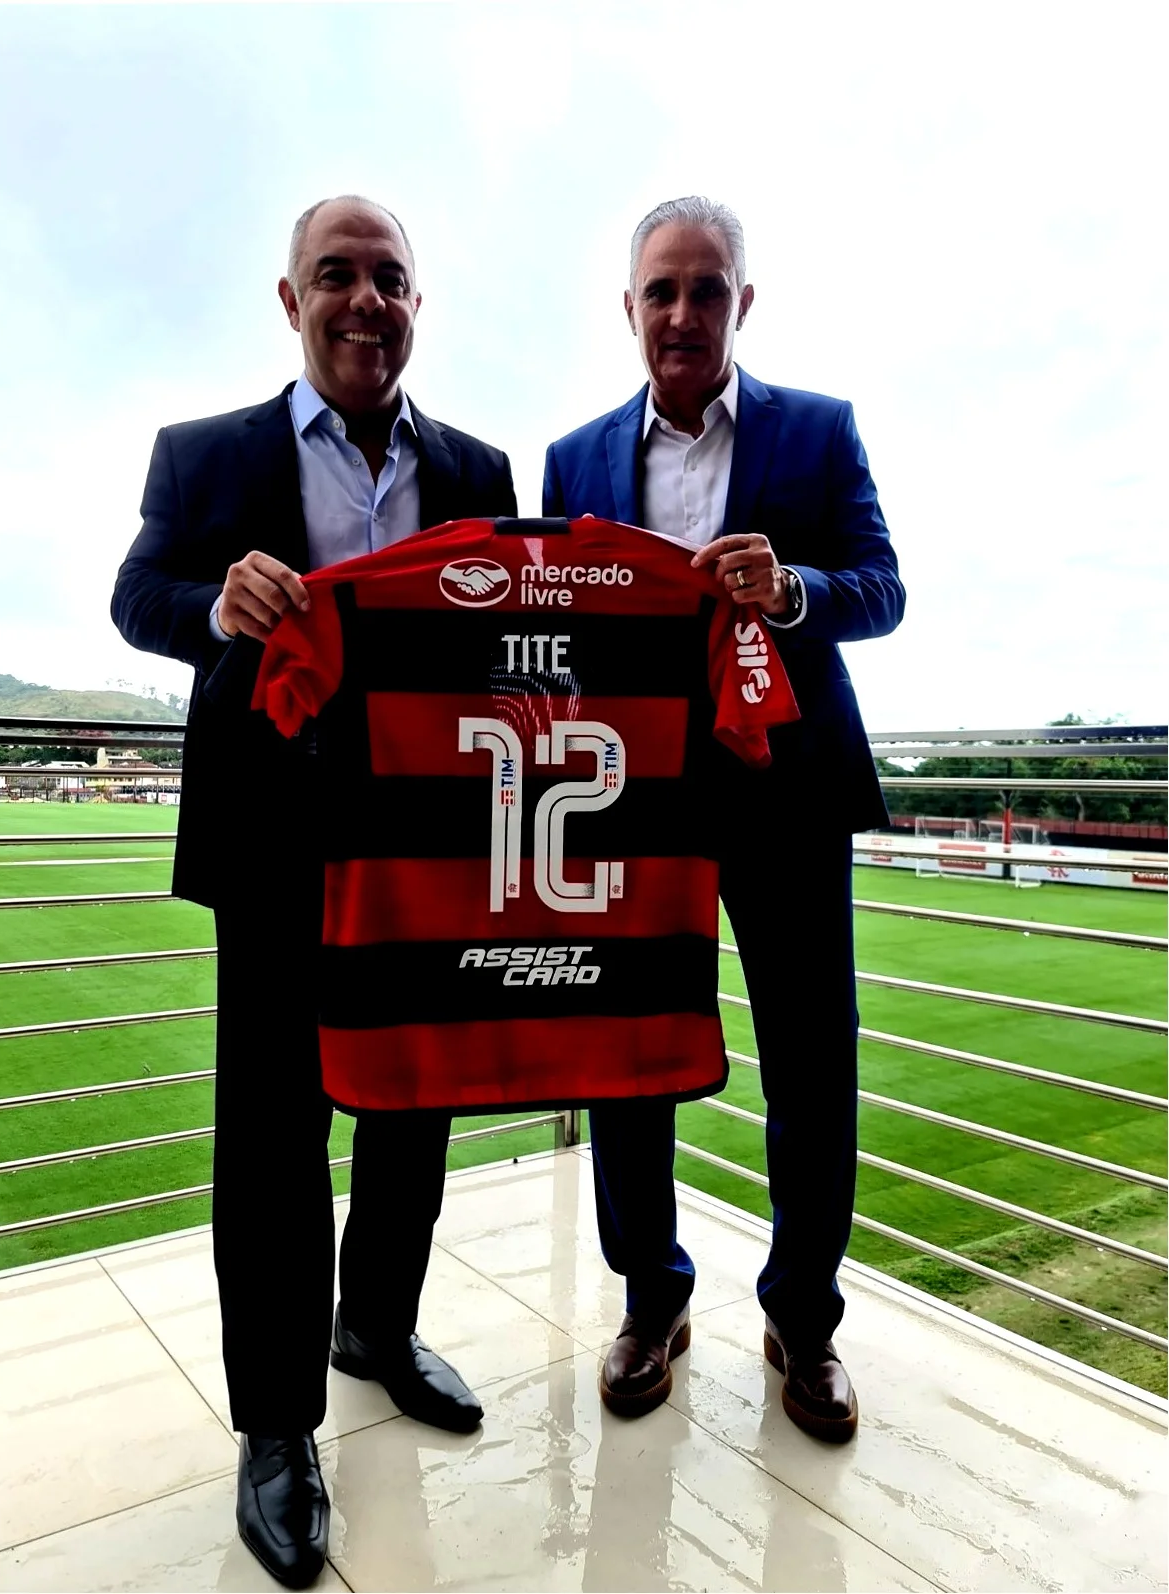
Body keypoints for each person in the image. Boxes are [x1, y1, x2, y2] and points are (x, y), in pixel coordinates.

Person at [112, 195, 517, 1588]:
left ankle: (376, 1327)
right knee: (273, 1137)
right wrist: (211, 606)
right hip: (274, 846)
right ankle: (277, 1425)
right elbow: (135, 596)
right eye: (335, 275)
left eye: (388, 278)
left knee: (414, 1106)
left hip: (431, 847)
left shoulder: (477, 463)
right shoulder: (205, 452)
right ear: (289, 300)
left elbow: (509, 640)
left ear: (417, 304)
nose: (364, 299)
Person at [542, 196, 904, 1443]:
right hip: (631, 804)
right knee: (626, 1061)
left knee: (815, 1064)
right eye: (662, 292)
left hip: (790, 796)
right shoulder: (575, 458)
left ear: (744, 302)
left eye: (708, 290)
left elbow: (883, 587)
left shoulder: (818, 431)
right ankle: (653, 1299)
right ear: (631, 309)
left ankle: (804, 1320)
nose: (684, 313)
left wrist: (794, 589)